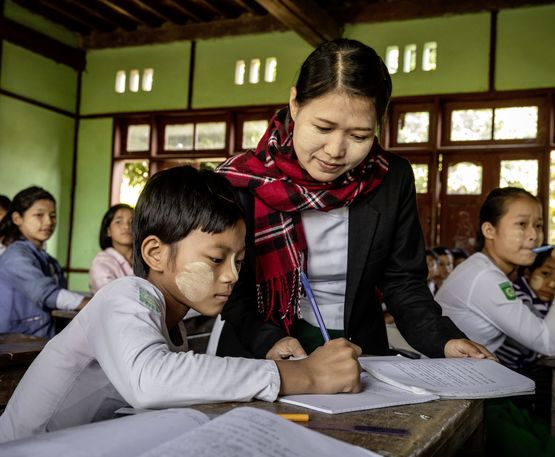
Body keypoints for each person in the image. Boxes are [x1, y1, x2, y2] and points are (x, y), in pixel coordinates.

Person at [0, 166, 361, 443]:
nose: (232, 276)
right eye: (217, 260)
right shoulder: (123, 295)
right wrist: (305, 375)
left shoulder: (171, 323)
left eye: (238, 261)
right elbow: (150, 381)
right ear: (155, 253)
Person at [215, 38, 493, 360]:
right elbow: (230, 287)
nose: (335, 151)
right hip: (260, 350)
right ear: (295, 104)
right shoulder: (241, 181)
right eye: (323, 127)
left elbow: (403, 282)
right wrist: (267, 341)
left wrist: (444, 340)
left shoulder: (391, 178)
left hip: (359, 351)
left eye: (359, 135)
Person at [436, 187, 555, 359]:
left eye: (538, 225)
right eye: (522, 224)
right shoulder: (484, 277)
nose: (534, 235)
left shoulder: (483, 269)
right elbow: (548, 343)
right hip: (447, 379)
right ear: (489, 230)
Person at [0, 187, 89, 338]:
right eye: (39, 215)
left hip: (40, 339)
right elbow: (47, 293)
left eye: (53, 215)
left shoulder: (48, 260)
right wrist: (91, 304)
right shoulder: (14, 256)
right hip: (15, 344)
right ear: (17, 219)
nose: (48, 222)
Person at [495, 248, 555, 370]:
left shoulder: (545, 299)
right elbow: (543, 336)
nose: (552, 284)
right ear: (528, 272)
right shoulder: (517, 296)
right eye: (545, 273)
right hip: (505, 368)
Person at [89, 203, 134, 294]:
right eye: (118, 222)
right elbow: (111, 296)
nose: (126, 226)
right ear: (108, 231)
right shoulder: (101, 262)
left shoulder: (146, 260)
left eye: (132, 222)